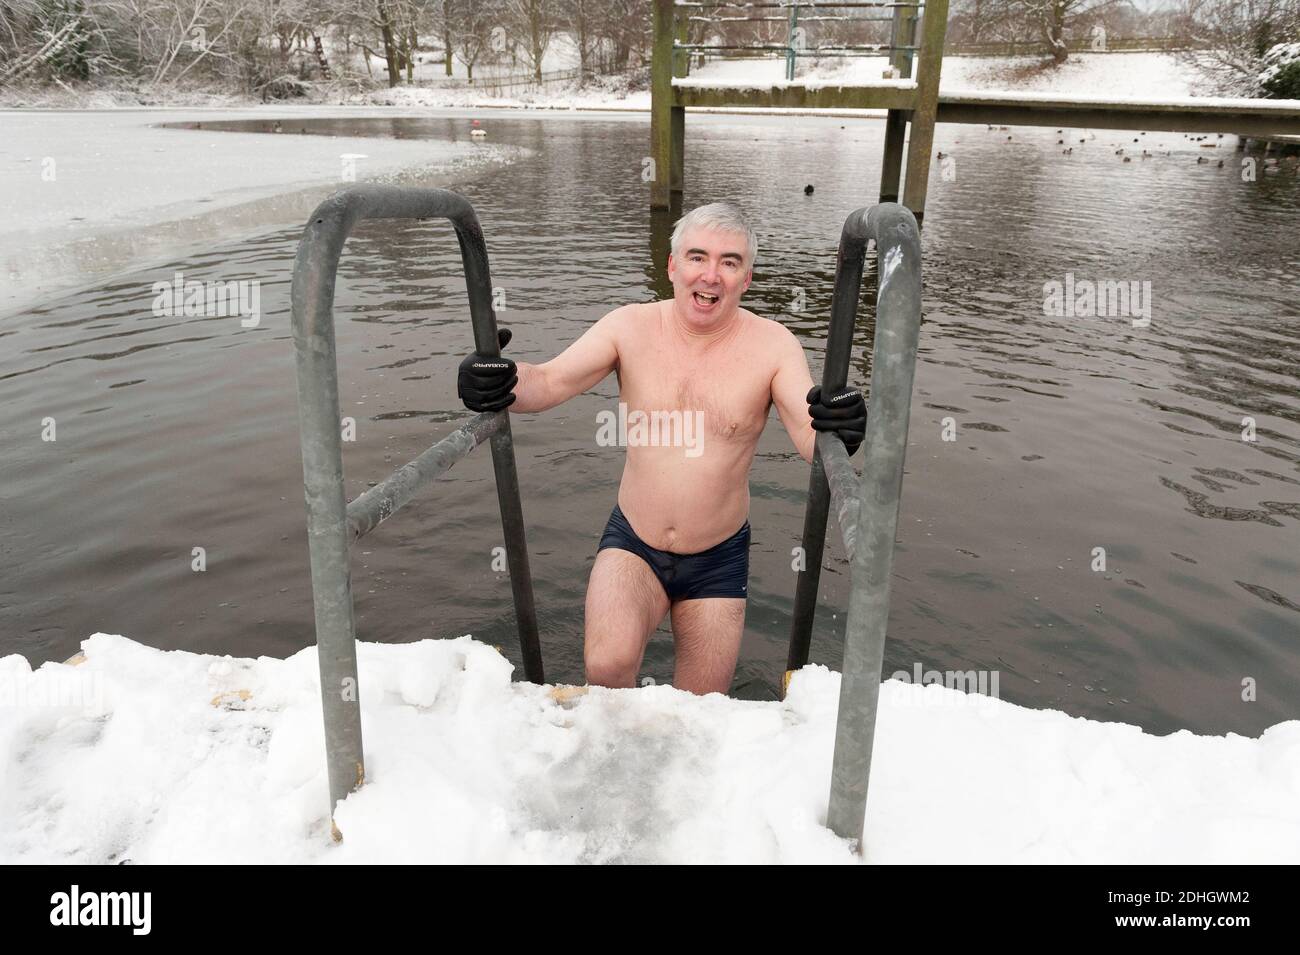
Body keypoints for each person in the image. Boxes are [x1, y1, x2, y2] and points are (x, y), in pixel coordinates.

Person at [458, 203, 865, 695]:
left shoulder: (773, 346)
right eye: (697, 257)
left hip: (719, 555)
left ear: (747, 278)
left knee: (701, 707)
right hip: (634, 541)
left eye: (729, 262)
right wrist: (497, 378)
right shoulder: (628, 328)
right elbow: (547, 381)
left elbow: (809, 434)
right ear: (673, 266)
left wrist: (841, 425)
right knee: (606, 668)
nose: (711, 275)